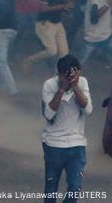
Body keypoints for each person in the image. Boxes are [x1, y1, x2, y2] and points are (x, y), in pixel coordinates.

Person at [41, 55, 92, 203]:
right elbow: (49, 115)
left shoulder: (82, 82)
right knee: (51, 189)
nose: (70, 78)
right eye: (66, 75)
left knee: (75, 189)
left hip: (77, 146)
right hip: (54, 145)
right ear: (58, 74)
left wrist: (75, 87)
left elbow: (88, 110)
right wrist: (61, 89)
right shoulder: (49, 85)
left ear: (79, 73)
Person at [23, 0, 75, 73]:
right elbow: (43, 8)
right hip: (45, 23)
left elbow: (66, 3)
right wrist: (62, 6)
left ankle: (57, 78)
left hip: (57, 23)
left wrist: (68, 4)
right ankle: (28, 60)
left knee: (64, 54)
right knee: (52, 51)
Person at [79, 0, 112, 65]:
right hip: (93, 36)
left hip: (106, 35)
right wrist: (108, 4)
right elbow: (94, 18)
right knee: (80, 62)